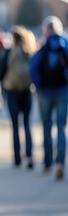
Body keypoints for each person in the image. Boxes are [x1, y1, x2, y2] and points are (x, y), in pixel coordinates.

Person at [29, 16, 68, 180]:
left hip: (45, 93)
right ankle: (60, 162)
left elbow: (32, 68)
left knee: (46, 126)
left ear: (46, 30)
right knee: (61, 127)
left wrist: (39, 86)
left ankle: (47, 162)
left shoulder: (43, 47)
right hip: (63, 91)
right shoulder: (65, 45)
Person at [0, 26, 36, 169]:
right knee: (27, 124)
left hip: (12, 90)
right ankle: (30, 156)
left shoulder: (9, 53)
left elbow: (0, 72)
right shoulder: (30, 52)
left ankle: (17, 158)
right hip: (27, 90)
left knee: (15, 126)